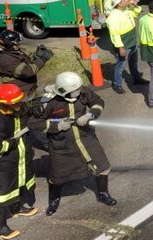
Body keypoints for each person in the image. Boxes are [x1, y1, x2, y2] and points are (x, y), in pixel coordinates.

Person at [30, 72, 116, 216]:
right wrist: (57, 126)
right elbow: (33, 123)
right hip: (62, 144)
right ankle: (54, 201)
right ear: (63, 91)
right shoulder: (48, 102)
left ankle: (103, 193)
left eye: (78, 90)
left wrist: (90, 115)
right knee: (57, 176)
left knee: (103, 166)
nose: (78, 93)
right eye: (74, 92)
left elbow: (98, 102)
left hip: (86, 137)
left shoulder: (81, 91)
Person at [0, 84, 38, 239]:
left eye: (20, 101)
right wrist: (10, 143)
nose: (20, 104)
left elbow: (29, 111)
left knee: (20, 184)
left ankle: (17, 208)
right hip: (5, 164)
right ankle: (0, 227)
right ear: (5, 104)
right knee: (0, 196)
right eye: (16, 103)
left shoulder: (19, 110)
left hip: (21, 159)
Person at [106, 0, 147, 94]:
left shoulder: (126, 11)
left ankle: (136, 79)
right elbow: (114, 34)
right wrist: (121, 48)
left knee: (133, 62)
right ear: (119, 4)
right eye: (124, 0)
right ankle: (117, 84)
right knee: (121, 65)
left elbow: (137, 12)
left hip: (132, 42)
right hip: (124, 45)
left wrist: (134, 5)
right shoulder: (113, 17)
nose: (127, 1)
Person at [0, 30, 53, 96]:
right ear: (9, 45)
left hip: (28, 88)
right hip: (20, 92)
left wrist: (36, 56)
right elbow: (27, 72)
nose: (19, 45)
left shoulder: (12, 52)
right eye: (17, 43)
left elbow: (26, 62)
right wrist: (42, 59)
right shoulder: (5, 59)